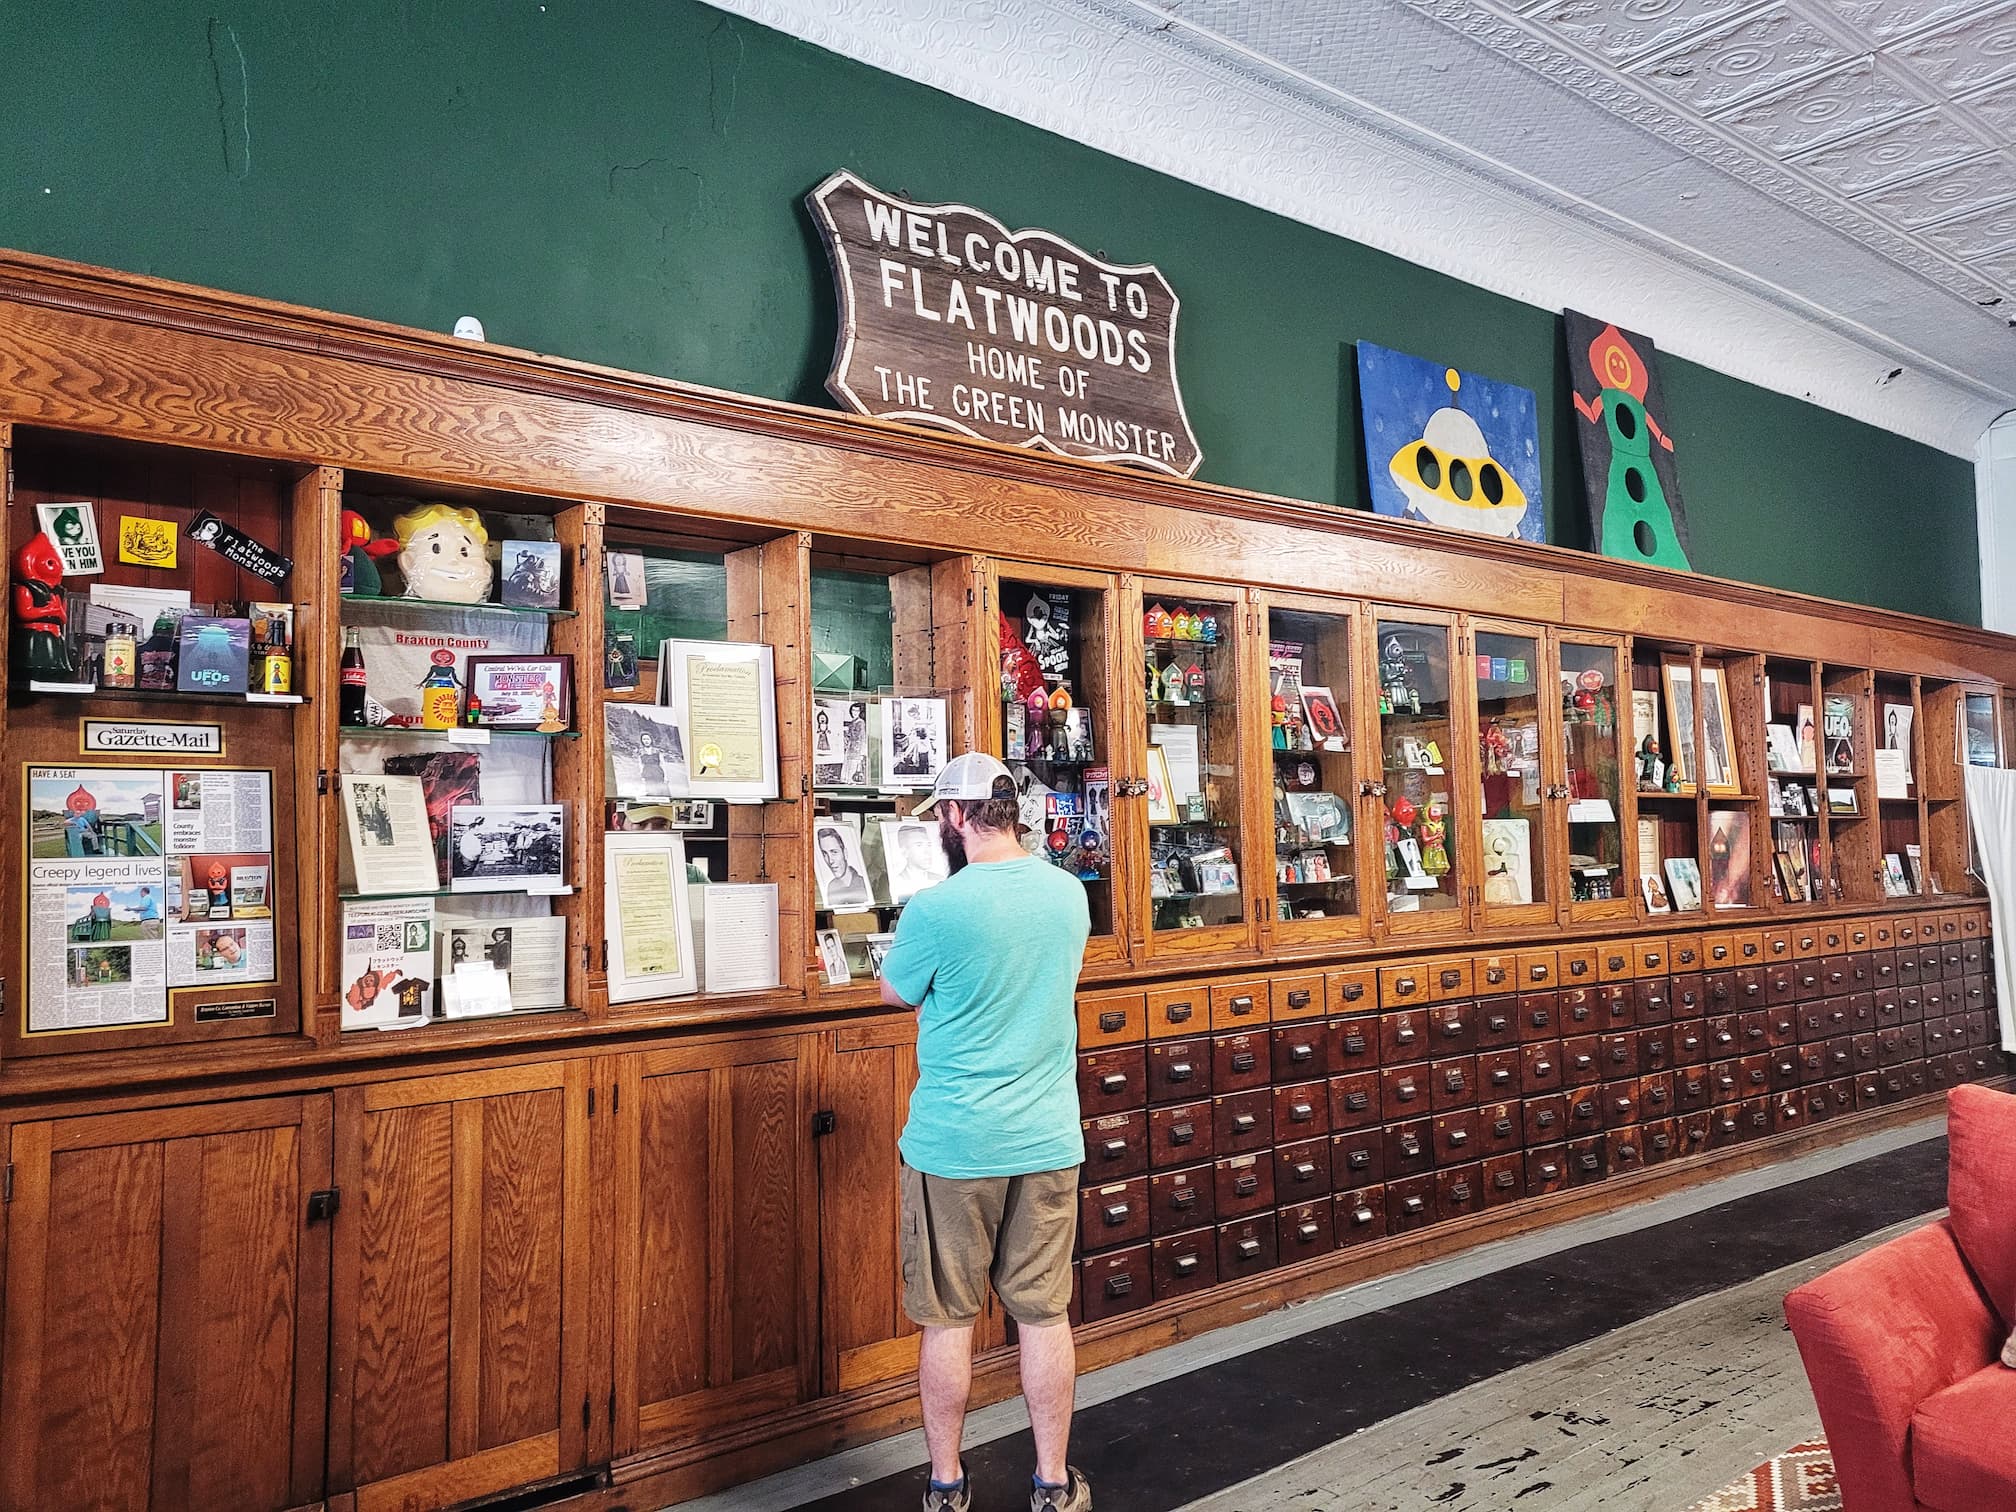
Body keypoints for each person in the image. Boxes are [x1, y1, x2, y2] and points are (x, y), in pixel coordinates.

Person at [877, 752, 1093, 1512]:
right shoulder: (1069, 896)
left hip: (956, 1144)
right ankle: (1053, 1484)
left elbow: (893, 991)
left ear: (955, 816)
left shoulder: (938, 909)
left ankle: (946, 1485)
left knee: (947, 1321)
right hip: (1045, 1139)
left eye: (941, 814)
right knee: (1044, 1314)